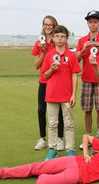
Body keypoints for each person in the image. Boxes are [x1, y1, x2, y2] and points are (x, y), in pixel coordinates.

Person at [41, 25, 81, 160]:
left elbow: (75, 75)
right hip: (51, 95)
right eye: (57, 36)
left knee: (68, 123)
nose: (59, 39)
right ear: (53, 38)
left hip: (66, 96)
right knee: (52, 123)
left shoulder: (71, 56)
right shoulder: (49, 55)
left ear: (66, 38)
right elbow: (45, 75)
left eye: (62, 36)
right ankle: (52, 149)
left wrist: (73, 95)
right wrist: (52, 69)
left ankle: (70, 149)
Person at [76, 10, 99, 150]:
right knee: (88, 109)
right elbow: (76, 60)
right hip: (87, 79)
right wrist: (84, 49)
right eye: (90, 22)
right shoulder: (82, 40)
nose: (92, 24)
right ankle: (89, 137)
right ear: (87, 23)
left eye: (95, 22)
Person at [31, 16, 65, 151]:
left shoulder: (59, 39)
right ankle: (42, 139)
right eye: (46, 24)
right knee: (41, 110)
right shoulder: (40, 43)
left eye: (50, 24)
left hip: (57, 81)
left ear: (54, 25)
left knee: (60, 110)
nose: (48, 27)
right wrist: (44, 53)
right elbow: (36, 65)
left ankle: (60, 138)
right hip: (44, 80)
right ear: (43, 25)